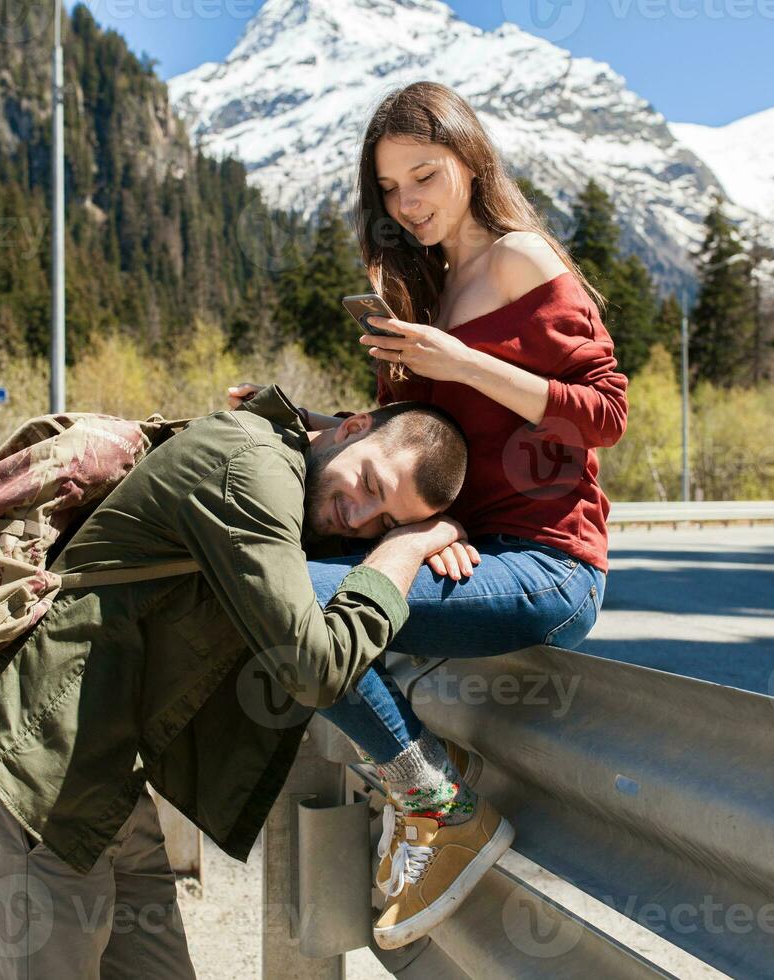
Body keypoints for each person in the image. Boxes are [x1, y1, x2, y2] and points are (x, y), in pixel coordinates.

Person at [228, 79, 629, 950]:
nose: (408, 205)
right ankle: (426, 802)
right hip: (469, 553)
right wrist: (312, 426)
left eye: (425, 177)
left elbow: (605, 414)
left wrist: (461, 358)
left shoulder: (521, 260)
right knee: (261, 582)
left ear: (470, 162)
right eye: (390, 190)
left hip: (551, 565)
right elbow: (427, 442)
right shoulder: (416, 283)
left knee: (290, 598)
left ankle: (438, 807)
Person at [0, 385, 471, 979]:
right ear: (352, 428)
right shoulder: (251, 467)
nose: (360, 517)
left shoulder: (293, 475)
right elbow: (314, 669)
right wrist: (408, 545)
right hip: (29, 775)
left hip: (106, 790)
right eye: (370, 486)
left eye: (385, 520)